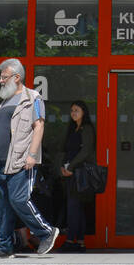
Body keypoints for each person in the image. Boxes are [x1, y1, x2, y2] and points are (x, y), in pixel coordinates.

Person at [0, 58, 59, 258]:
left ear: (17, 77)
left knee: (18, 199)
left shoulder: (32, 98)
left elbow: (39, 126)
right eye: (1, 76)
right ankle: (4, 247)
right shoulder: (4, 102)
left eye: (4, 76)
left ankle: (46, 232)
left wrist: (32, 155)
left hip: (20, 161)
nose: (0, 80)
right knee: (2, 207)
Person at [58, 100, 97, 252]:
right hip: (69, 172)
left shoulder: (86, 129)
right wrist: (62, 166)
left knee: (74, 207)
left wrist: (71, 166)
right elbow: (65, 150)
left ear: (84, 112)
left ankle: (70, 241)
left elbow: (86, 151)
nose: (73, 113)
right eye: (72, 110)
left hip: (79, 173)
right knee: (76, 208)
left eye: (77, 110)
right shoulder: (73, 129)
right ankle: (80, 242)